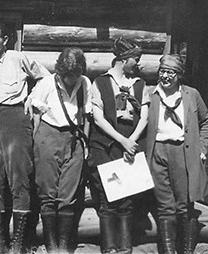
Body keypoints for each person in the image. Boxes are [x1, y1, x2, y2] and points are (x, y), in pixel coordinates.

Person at [0, 20, 50, 254]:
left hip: (15, 118)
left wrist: (32, 98)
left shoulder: (19, 59)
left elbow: (45, 78)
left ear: (5, 40)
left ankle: (18, 243)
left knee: (20, 178)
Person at [87, 37, 150, 254]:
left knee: (127, 199)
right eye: (136, 59)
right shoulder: (100, 83)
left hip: (130, 144)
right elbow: (98, 118)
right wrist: (122, 140)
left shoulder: (140, 85)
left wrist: (131, 140)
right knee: (108, 198)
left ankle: (125, 248)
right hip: (106, 145)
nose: (138, 63)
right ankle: (109, 248)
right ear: (123, 59)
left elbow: (144, 117)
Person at [27, 47, 91, 253]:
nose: (71, 80)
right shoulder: (46, 84)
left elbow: (87, 115)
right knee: (47, 192)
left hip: (74, 138)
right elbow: (35, 112)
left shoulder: (85, 83)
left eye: (75, 75)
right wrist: (37, 142)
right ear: (60, 71)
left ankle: (63, 246)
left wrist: (85, 142)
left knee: (68, 194)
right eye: (67, 76)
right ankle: (51, 245)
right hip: (48, 135)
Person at [146, 54, 208, 254]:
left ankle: (185, 251)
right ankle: (168, 251)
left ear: (179, 75)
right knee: (165, 205)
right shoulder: (150, 95)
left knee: (184, 204)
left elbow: (206, 121)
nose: (165, 76)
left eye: (170, 73)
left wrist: (201, 149)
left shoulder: (191, 95)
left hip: (183, 152)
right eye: (162, 71)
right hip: (158, 152)